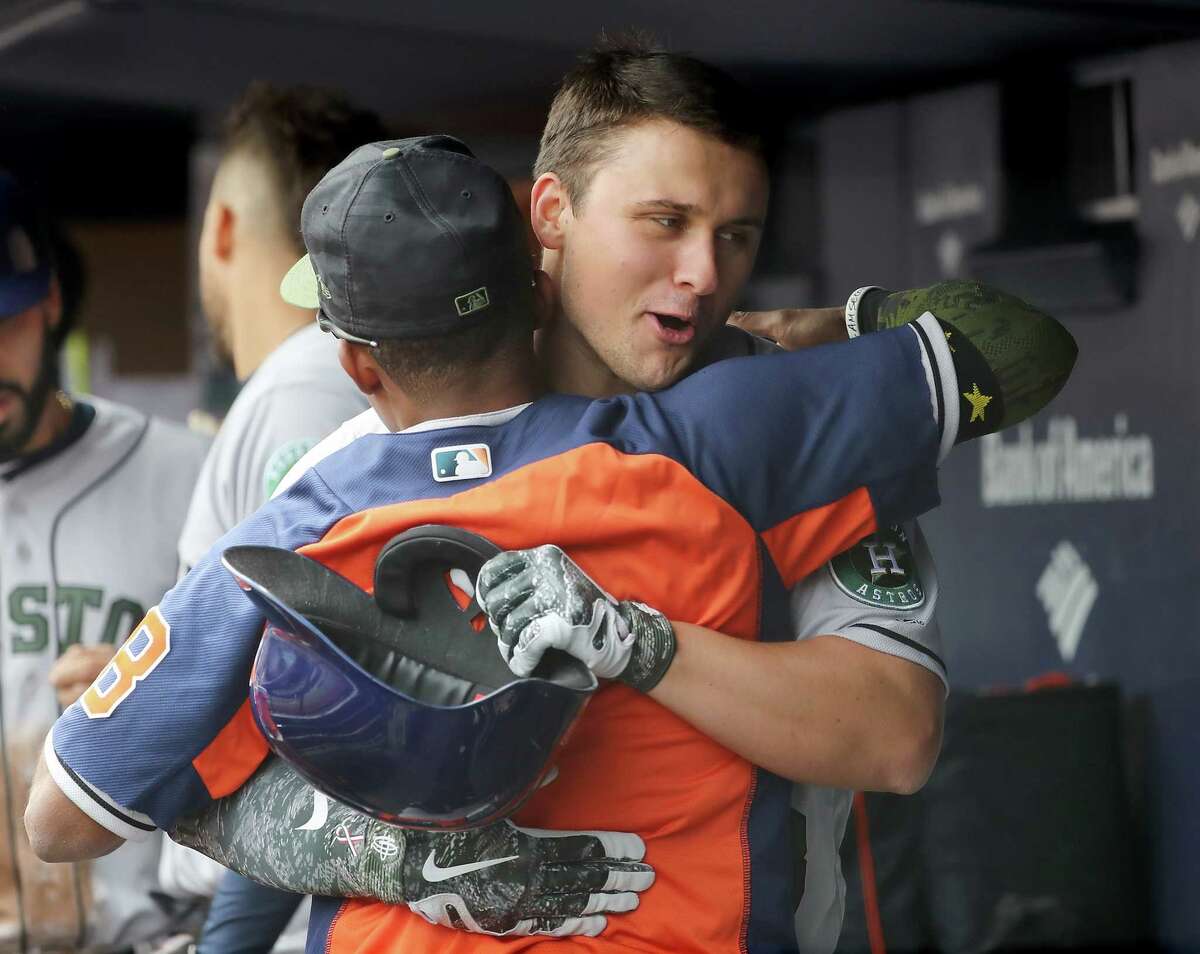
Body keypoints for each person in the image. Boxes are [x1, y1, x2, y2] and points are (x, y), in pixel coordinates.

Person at [26, 135, 1073, 953]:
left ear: (356, 364)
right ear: (541, 284)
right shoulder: (714, 435)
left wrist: (391, 859)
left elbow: (62, 818)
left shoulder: (295, 529)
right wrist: (809, 330)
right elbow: (1024, 350)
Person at [262, 41, 956, 952]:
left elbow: (895, 734)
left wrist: (635, 640)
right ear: (553, 211)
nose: (704, 273)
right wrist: (395, 860)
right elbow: (203, 780)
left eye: (736, 234)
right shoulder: (373, 449)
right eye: (664, 221)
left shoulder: (808, 438)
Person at [162, 81, 385, 952]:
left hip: (280, 906)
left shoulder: (303, 384)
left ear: (222, 225)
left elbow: (310, 692)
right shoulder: (331, 376)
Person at [0, 171, 208, 949]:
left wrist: (166, 695)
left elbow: (292, 716)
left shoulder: (188, 474)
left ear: (50, 302)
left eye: (6, 322)